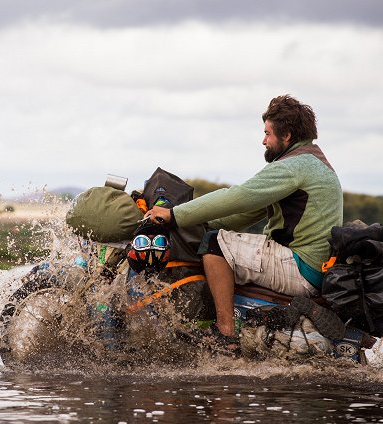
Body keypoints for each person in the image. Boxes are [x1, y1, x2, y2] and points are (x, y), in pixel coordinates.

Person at [145, 95, 343, 348]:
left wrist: (175, 215)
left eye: (268, 133)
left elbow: (239, 197)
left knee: (215, 245)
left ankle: (224, 333)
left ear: (288, 136)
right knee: (214, 236)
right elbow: (248, 213)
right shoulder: (312, 161)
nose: (264, 140)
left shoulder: (294, 166)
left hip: (301, 267)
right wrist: (203, 224)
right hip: (314, 266)